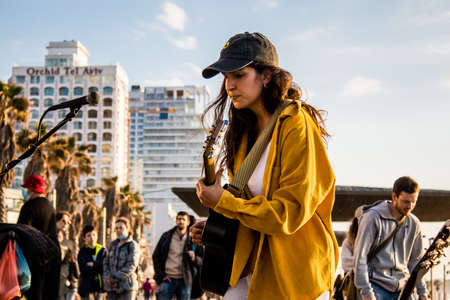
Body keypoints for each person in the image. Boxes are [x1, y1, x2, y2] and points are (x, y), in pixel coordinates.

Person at [191, 32, 338, 299]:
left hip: (293, 279)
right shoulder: (244, 133)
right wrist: (216, 227)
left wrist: (224, 203)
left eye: (238, 75)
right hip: (251, 271)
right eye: (226, 78)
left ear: (266, 76)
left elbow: (289, 214)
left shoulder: (296, 124)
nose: (229, 86)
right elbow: (248, 207)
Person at [353, 176, 428, 300]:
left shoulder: (414, 223)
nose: (410, 206)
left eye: (413, 201)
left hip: (402, 287)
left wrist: (422, 292)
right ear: (394, 197)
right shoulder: (372, 218)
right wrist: (366, 292)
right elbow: (360, 257)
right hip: (375, 286)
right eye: (406, 201)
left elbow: (416, 262)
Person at [152, 211, 200, 300]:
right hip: (167, 279)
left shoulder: (193, 240)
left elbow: (202, 260)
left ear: (188, 222)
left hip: (185, 281)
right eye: (179, 219)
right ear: (176, 221)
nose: (181, 221)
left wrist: (194, 258)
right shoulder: (166, 236)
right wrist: (161, 275)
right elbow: (156, 256)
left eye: (183, 219)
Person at [103, 217, 139, 300]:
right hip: (111, 287)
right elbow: (105, 262)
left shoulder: (132, 245)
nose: (118, 230)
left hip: (127, 287)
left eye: (121, 228)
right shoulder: (112, 245)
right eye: (116, 228)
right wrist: (107, 277)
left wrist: (115, 278)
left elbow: (131, 265)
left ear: (127, 228)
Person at [17, 174, 58, 242]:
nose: (27, 192)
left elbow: (21, 229)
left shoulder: (29, 206)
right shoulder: (50, 206)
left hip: (32, 248)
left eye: (27, 189)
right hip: (50, 248)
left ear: (31, 190)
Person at [78, 225, 107, 300]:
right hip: (86, 287)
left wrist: (93, 264)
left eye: (94, 235)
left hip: (100, 287)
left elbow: (104, 267)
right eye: (89, 236)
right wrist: (97, 265)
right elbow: (83, 268)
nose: (92, 237)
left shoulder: (102, 250)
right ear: (84, 238)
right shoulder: (82, 251)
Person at [57, 211, 79, 300]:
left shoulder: (68, 242)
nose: (66, 224)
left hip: (65, 282)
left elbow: (71, 261)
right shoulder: (49, 238)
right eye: (63, 221)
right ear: (56, 221)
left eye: (68, 222)